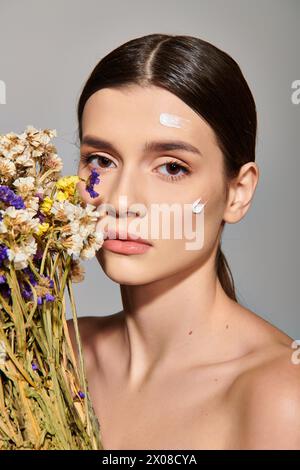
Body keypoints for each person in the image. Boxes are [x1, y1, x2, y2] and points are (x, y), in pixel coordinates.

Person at [67, 34, 300, 450]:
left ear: (238, 192)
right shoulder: (49, 356)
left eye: (172, 167)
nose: (121, 201)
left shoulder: (281, 396)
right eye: (101, 160)